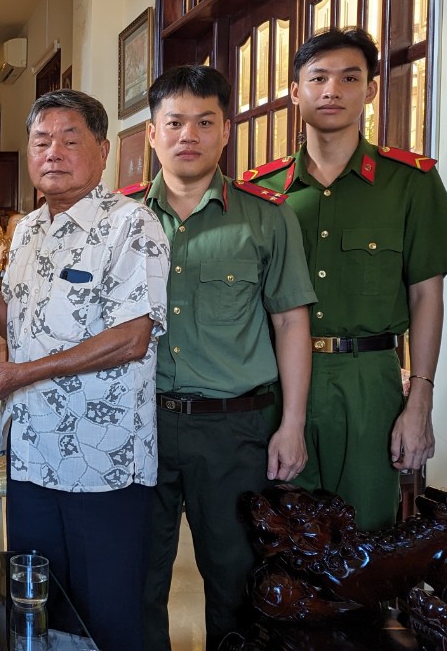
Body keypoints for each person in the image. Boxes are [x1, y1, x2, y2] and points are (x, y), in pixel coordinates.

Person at [0, 89, 170, 650]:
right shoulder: (25, 231)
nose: (53, 152)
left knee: (106, 615)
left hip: (102, 461)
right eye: (41, 140)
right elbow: (24, 329)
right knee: (38, 610)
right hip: (30, 456)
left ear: (102, 151)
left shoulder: (133, 225)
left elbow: (131, 337)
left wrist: (18, 375)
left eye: (69, 139)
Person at [248, 27, 447, 530]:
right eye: (318, 78)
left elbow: (427, 297)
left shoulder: (409, 182)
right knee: (279, 541)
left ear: (371, 89)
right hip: (275, 383)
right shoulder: (262, 194)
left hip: (369, 383)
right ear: (295, 91)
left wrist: (419, 399)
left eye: (349, 78)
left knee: (368, 541)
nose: (332, 90)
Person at [128, 66, 314, 651]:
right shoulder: (120, 221)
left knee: (235, 579)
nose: (189, 134)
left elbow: (291, 321)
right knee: (138, 578)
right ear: (153, 134)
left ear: (225, 131)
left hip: (234, 429)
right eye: (175, 122)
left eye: (204, 122)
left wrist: (291, 424)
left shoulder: (267, 216)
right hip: (141, 424)